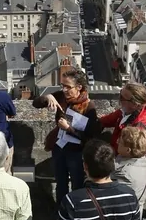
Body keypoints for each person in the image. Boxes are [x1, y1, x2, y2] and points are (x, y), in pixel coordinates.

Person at [33, 68, 101, 207]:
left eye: (68, 87)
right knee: (60, 185)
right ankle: (61, 214)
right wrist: (47, 97)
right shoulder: (61, 97)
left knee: (77, 186)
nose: (64, 90)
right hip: (59, 148)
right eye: (62, 86)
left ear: (79, 87)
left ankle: (75, 216)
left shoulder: (89, 107)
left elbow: (90, 138)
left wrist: (69, 129)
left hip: (76, 152)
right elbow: (36, 103)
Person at [99, 82, 146, 178]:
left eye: (122, 98)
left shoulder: (139, 128)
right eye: (120, 94)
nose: (119, 100)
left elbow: (130, 156)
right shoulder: (128, 111)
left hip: (127, 172)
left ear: (135, 104)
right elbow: (107, 120)